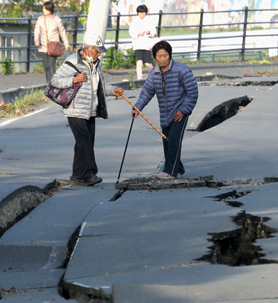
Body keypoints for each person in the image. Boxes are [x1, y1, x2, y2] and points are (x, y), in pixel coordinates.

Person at [51, 34, 124, 186]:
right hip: (75, 109)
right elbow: (55, 81)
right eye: (97, 51)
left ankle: (77, 174)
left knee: (84, 142)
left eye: (100, 51)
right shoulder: (72, 62)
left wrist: (114, 90)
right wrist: (74, 80)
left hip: (90, 110)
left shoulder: (95, 64)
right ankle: (90, 173)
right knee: (84, 141)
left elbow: (101, 87)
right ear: (88, 49)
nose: (99, 54)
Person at [132, 41, 198, 180]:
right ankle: (178, 169)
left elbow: (192, 92)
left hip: (180, 111)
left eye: (165, 55)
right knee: (167, 141)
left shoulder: (182, 70)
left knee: (174, 139)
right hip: (165, 113)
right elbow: (147, 92)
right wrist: (137, 108)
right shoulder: (153, 73)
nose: (162, 59)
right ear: (155, 57)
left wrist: (183, 110)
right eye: (159, 56)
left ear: (170, 55)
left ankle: (170, 172)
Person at [34, 1, 70, 83]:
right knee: (46, 67)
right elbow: (37, 30)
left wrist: (66, 44)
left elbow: (62, 32)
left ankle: (53, 83)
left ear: (49, 9)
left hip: (53, 46)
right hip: (44, 46)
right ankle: (49, 84)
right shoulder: (40, 19)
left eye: (45, 8)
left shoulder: (57, 20)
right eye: (43, 8)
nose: (43, 10)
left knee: (51, 66)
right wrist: (36, 39)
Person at [129, 4, 156, 80]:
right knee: (139, 62)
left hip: (147, 45)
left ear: (146, 13)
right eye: (140, 13)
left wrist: (149, 32)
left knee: (148, 63)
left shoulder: (149, 21)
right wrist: (137, 34)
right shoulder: (134, 22)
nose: (141, 15)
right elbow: (131, 32)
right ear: (138, 13)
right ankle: (139, 77)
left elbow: (153, 32)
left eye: (143, 13)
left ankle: (153, 74)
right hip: (138, 44)